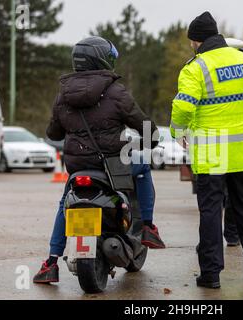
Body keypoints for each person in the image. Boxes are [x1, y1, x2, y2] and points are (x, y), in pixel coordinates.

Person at [33, 36, 165, 284]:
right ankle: (147, 226)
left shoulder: (63, 94)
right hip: (113, 165)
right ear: (102, 59)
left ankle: (50, 263)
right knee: (144, 167)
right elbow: (144, 125)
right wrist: (151, 140)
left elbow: (53, 133)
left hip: (77, 167)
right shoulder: (116, 92)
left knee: (65, 203)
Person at [170, 12, 243, 289]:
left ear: (196, 41)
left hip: (212, 153)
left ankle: (211, 275)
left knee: (210, 211)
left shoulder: (196, 68)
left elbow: (183, 107)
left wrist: (177, 132)